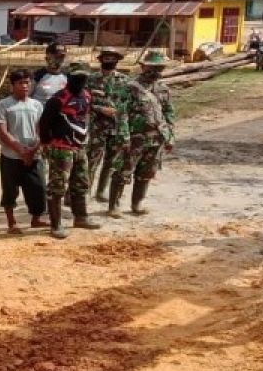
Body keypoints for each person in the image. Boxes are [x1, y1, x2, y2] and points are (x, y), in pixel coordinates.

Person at [108, 49, 175, 218]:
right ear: (143, 67)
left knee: (147, 171)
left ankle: (137, 203)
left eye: (159, 68)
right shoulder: (130, 88)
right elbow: (121, 113)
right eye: (152, 68)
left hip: (156, 137)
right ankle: (113, 206)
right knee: (123, 170)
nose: (156, 72)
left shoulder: (163, 89)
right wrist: (124, 136)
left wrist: (170, 136)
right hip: (134, 137)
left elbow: (168, 112)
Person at [39, 62, 102, 239]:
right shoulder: (58, 99)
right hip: (61, 149)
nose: (80, 81)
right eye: (77, 78)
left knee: (81, 182)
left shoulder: (87, 96)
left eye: (84, 78)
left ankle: (81, 217)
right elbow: (44, 123)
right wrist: (47, 144)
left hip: (80, 147)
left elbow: (85, 118)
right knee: (57, 187)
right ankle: (56, 224)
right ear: (68, 78)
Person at [0, 71, 47, 234]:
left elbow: (40, 130)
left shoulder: (37, 105)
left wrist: (33, 149)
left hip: (33, 155)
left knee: (38, 188)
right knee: (10, 190)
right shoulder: (3, 105)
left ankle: (36, 219)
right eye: (21, 83)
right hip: (11, 156)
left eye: (27, 83)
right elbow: (2, 131)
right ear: (12, 85)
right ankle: (12, 222)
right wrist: (20, 150)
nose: (25, 86)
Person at [87, 48, 131, 202]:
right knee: (92, 160)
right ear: (101, 60)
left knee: (111, 162)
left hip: (116, 127)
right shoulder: (91, 80)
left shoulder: (125, 81)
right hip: (96, 126)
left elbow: (127, 105)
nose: (109, 60)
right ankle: (86, 193)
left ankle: (100, 192)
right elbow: (85, 102)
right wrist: (100, 109)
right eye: (106, 57)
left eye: (113, 58)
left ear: (117, 60)